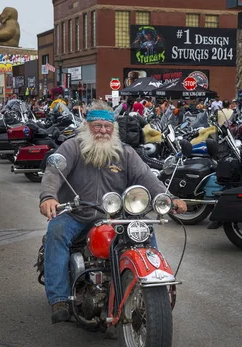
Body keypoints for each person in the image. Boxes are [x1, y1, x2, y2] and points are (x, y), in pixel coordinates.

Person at [38, 101, 188, 323]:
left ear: (114, 128)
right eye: (97, 125)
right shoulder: (72, 148)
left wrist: (169, 197)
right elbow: (54, 172)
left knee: (144, 230)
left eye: (107, 126)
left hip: (116, 216)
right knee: (56, 232)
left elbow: (146, 177)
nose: (102, 131)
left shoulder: (124, 153)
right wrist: (49, 197)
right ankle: (59, 298)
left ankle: (154, 285)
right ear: (87, 126)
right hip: (78, 214)